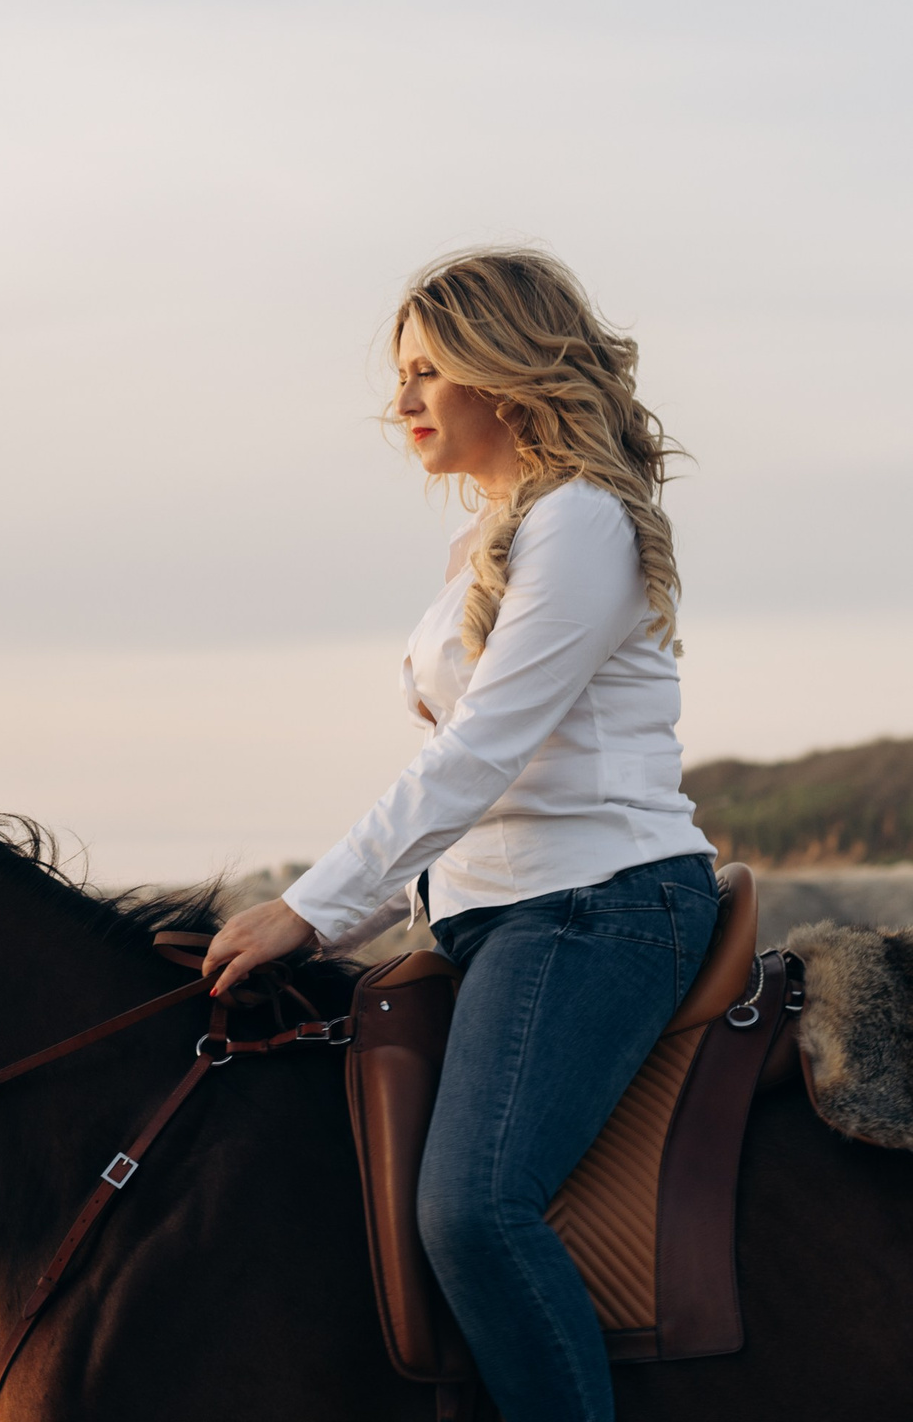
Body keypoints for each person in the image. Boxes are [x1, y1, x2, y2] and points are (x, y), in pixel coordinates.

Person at [202, 250, 719, 1422]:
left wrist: (310, 906)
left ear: (507, 369)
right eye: (401, 375)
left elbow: (479, 753)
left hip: (595, 903)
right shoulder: (484, 544)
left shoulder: (581, 523)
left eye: (428, 371)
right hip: (491, 911)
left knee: (472, 1208)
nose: (402, 404)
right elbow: (463, 781)